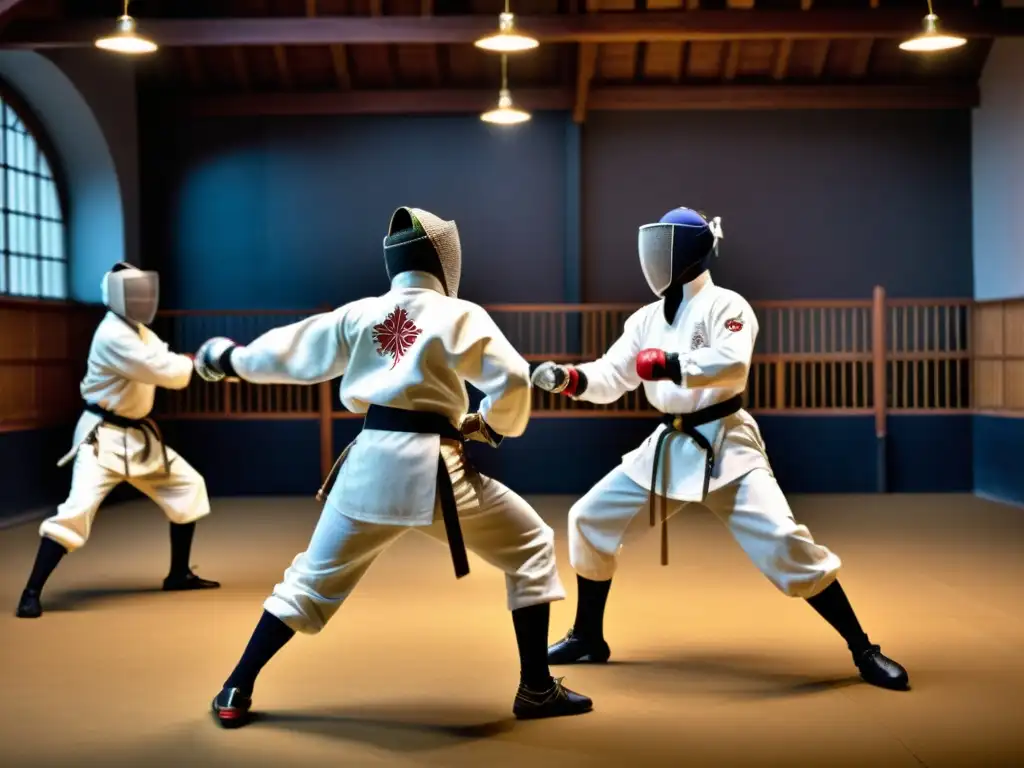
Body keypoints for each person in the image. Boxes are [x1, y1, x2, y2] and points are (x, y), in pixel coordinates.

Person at [194, 207, 592, 728]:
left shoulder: (358, 314)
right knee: (532, 544)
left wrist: (229, 360)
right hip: (435, 473)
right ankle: (536, 689)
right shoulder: (460, 314)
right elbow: (514, 380)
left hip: (367, 463)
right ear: (444, 258)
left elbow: (291, 352)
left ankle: (236, 685)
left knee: (307, 582)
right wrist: (492, 425)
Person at [531, 207, 909, 691]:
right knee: (588, 519)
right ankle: (588, 635)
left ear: (687, 252)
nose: (651, 258)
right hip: (668, 447)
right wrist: (571, 378)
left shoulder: (728, 305)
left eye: (661, 248)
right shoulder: (645, 318)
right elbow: (612, 374)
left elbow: (731, 365)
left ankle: (863, 648)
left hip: (725, 444)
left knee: (784, 540)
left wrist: (669, 363)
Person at [15, 262, 219, 620]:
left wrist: (183, 361)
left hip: (138, 440)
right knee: (76, 512)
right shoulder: (113, 335)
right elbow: (167, 372)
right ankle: (30, 592)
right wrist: (195, 362)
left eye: (144, 292)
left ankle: (178, 574)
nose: (142, 299)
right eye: (134, 293)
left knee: (187, 486)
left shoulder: (138, 330)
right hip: (103, 439)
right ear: (115, 296)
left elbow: (164, 357)